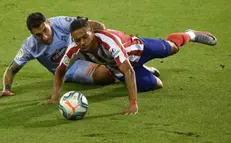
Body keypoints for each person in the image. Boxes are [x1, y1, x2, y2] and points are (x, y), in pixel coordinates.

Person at [41, 18, 217, 115]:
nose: (82, 42)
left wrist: (133, 104)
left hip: (139, 49)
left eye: (85, 37)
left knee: (173, 48)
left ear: (92, 32)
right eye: (77, 39)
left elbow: (128, 71)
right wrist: (55, 96)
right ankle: (147, 71)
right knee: (156, 85)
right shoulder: (74, 48)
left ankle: (189, 34)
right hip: (119, 66)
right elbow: (60, 70)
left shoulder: (110, 42)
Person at [0, 12, 115, 97]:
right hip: (70, 69)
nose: (44, 37)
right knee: (104, 74)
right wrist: (6, 89)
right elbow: (11, 69)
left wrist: (100, 46)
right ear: (32, 34)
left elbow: (97, 26)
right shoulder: (30, 46)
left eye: (45, 30)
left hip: (85, 53)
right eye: (38, 35)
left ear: (48, 23)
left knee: (115, 57)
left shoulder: (61, 23)